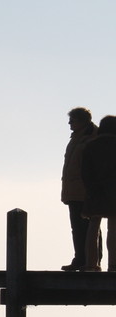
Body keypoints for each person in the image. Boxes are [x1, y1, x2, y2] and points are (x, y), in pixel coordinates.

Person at [61, 107, 99, 271]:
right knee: (77, 227)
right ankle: (80, 259)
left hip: (86, 191)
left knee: (89, 227)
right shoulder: (76, 137)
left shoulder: (92, 137)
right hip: (74, 191)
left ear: (82, 120)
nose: (69, 123)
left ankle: (90, 261)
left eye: (73, 120)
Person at [81, 115, 116, 271]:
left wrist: (90, 189)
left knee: (93, 226)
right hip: (113, 191)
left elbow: (85, 172)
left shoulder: (90, 146)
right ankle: (113, 264)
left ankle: (91, 263)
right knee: (113, 228)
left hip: (95, 191)